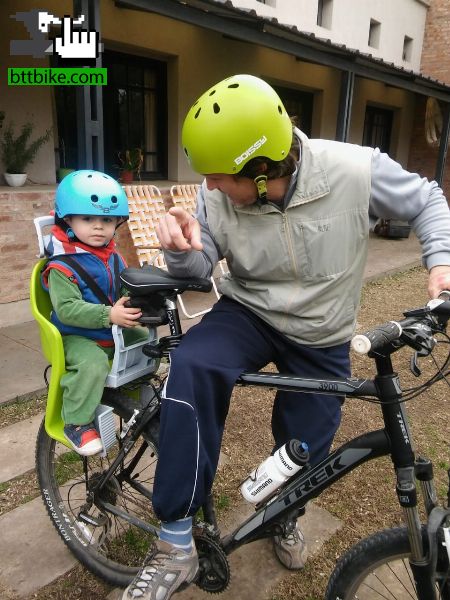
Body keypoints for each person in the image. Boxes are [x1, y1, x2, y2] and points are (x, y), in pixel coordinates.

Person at [122, 74, 450, 599]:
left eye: (217, 177)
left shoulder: (354, 170)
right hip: (248, 312)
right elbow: (199, 265)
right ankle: (175, 538)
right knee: (195, 366)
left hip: (322, 331)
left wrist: (441, 267)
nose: (207, 187)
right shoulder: (216, 200)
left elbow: (428, 202)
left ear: (259, 172)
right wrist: (184, 251)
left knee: (309, 443)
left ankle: (284, 514)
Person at [42, 170, 143, 456]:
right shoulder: (62, 266)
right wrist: (110, 315)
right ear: (68, 221)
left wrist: (137, 301)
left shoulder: (114, 257)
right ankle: (76, 422)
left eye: (107, 220)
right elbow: (68, 310)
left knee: (145, 341)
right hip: (74, 335)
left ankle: (134, 399)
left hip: (106, 326)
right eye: (88, 219)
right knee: (93, 364)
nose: (98, 227)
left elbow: (124, 289)